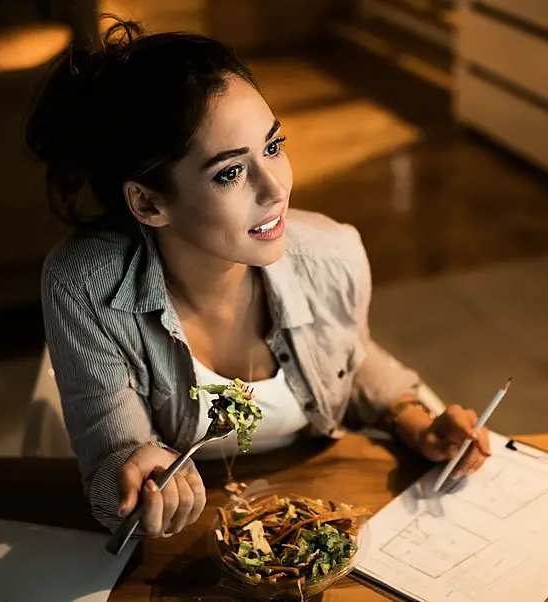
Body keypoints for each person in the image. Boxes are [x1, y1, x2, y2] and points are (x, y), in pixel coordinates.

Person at [26, 17, 491, 539]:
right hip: (193, 537)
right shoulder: (85, 286)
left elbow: (348, 358)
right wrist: (136, 480)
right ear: (148, 202)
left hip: (312, 503)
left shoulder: (333, 254)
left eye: (272, 147)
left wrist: (416, 422)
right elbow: (114, 462)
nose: (276, 188)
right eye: (230, 172)